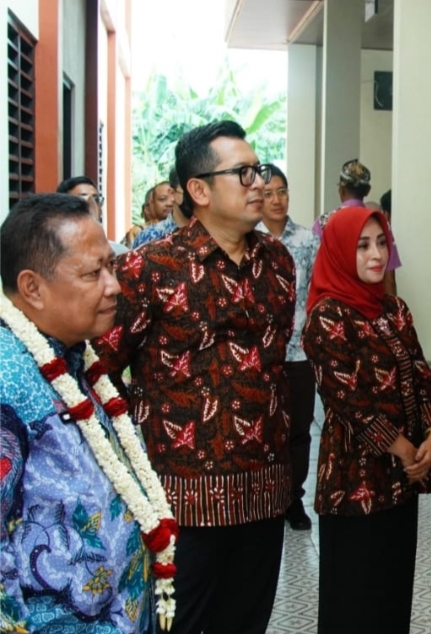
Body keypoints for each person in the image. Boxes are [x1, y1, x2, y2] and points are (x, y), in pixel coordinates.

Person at [95, 120, 295, 634]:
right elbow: (100, 367)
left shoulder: (278, 263)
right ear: (199, 190)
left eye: (261, 170)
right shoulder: (150, 269)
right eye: (243, 173)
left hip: (264, 494)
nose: (259, 183)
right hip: (184, 504)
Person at [1, 193, 177, 633]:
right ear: (32, 288)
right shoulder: (8, 380)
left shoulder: (74, 357)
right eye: (91, 273)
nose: (113, 285)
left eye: (111, 267)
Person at [301, 205, 431, 634]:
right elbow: (349, 402)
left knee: (392, 594)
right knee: (354, 601)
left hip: (401, 481)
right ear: (341, 251)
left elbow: (420, 374)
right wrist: (404, 449)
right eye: (362, 245)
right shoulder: (326, 317)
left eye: (381, 242)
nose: (376, 254)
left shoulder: (393, 309)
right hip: (352, 482)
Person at [256, 163, 320, 531]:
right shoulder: (251, 240)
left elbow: (317, 292)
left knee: (298, 431)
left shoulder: (308, 240)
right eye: (268, 193)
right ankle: (267, 497)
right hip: (261, 356)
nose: (277, 200)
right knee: (265, 432)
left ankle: (293, 499)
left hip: (299, 354)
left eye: (282, 191)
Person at [314, 159, 403, 295]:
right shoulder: (380, 224)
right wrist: (394, 313)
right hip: (372, 306)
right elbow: (389, 280)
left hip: (334, 305)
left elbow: (314, 272)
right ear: (367, 191)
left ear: (341, 190)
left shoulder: (323, 223)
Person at [57, 175, 128, 255]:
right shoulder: (55, 253)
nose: (91, 204)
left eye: (96, 199)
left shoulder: (119, 253)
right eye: (83, 200)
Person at [132, 180, 186, 248]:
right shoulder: (145, 236)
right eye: (162, 199)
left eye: (173, 197)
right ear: (153, 204)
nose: (169, 203)